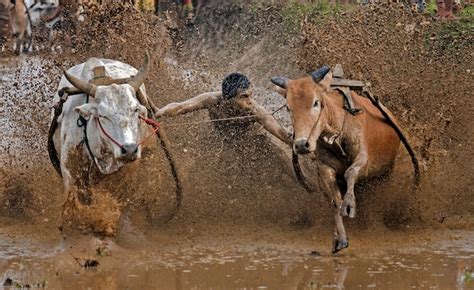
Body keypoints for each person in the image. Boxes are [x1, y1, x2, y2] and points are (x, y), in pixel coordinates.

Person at [155, 73, 293, 146]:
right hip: (226, 142)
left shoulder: (254, 110)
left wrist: (296, 143)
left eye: (251, 95)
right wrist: (160, 112)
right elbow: (181, 107)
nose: (250, 101)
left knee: (280, 154)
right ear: (228, 99)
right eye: (244, 97)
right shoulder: (211, 100)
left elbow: (280, 132)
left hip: (256, 139)